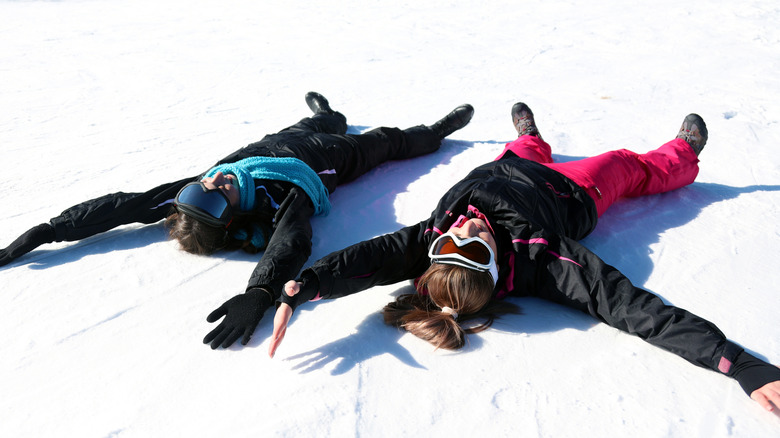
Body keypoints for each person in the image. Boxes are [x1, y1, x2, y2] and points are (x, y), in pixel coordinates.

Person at [268, 102, 780, 413]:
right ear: (493, 267)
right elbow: (625, 304)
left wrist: (306, 286)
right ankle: (683, 153)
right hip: (571, 190)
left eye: (448, 243)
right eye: (470, 247)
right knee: (627, 164)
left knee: (524, 152)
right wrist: (738, 364)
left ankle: (529, 138)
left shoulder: (436, 234)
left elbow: (371, 257)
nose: (463, 229)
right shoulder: (543, 259)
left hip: (505, 168)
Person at [0, 92, 476, 350]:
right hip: (329, 160)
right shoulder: (286, 198)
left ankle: (329, 114)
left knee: (308, 125)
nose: (209, 185)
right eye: (210, 199)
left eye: (194, 193)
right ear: (229, 219)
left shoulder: (205, 184)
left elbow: (126, 204)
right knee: (385, 142)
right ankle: (433, 133)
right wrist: (260, 293)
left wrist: (51, 230)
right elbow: (290, 242)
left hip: (284, 140)